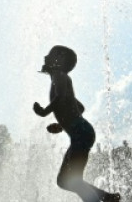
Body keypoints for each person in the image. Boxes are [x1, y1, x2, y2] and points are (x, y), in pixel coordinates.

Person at [33, 45, 121, 202]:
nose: (45, 57)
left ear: (59, 60)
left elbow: (60, 97)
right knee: (63, 180)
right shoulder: (61, 78)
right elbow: (79, 107)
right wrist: (62, 124)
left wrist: (44, 112)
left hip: (81, 133)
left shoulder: (59, 76)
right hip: (81, 132)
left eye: (50, 55)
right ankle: (107, 197)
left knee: (73, 180)